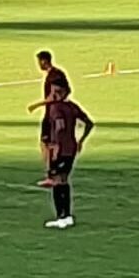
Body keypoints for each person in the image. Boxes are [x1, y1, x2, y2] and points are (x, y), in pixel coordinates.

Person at [43, 93, 94, 229]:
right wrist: (81, 140)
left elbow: (60, 128)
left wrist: (55, 147)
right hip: (71, 148)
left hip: (60, 149)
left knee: (57, 181)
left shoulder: (56, 108)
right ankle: (67, 216)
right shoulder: (72, 106)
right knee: (64, 180)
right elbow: (89, 123)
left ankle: (62, 216)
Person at [27, 51, 71, 186]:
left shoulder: (53, 76)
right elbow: (67, 91)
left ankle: (51, 176)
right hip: (55, 113)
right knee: (50, 144)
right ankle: (57, 176)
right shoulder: (59, 73)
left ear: (43, 61)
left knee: (48, 146)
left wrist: (36, 105)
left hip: (52, 114)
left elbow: (53, 96)